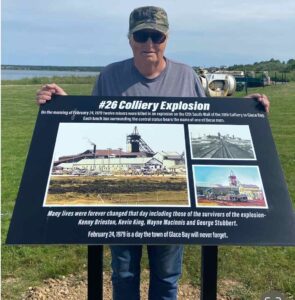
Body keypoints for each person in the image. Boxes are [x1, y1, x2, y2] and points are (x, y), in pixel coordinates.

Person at [36, 6, 270, 300]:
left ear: (166, 38)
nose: (149, 44)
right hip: (119, 207)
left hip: (172, 208)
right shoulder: (110, 76)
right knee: (123, 274)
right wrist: (60, 103)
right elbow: (89, 117)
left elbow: (210, 120)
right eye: (142, 35)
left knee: (167, 276)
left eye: (156, 36)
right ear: (130, 39)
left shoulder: (187, 77)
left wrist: (246, 110)